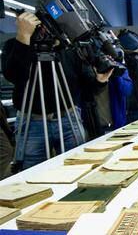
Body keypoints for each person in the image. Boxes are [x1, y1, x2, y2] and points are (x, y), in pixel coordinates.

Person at [1, 12, 112, 169]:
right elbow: (13, 75)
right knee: (32, 171)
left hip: (68, 117)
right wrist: (24, 37)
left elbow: (87, 86)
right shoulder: (16, 44)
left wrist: (100, 81)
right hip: (32, 120)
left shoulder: (69, 50)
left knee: (76, 167)